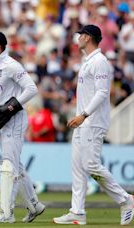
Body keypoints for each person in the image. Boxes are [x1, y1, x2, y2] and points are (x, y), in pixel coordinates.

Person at [53, 24, 134, 226]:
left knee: (90, 164)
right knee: (78, 168)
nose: (77, 38)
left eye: (80, 35)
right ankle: (77, 212)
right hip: (83, 121)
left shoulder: (100, 62)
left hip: (93, 121)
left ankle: (126, 200)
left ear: (88, 37)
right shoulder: (88, 61)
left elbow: (102, 93)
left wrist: (83, 114)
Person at [0, 31, 45, 223]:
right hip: (3, 120)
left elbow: (31, 88)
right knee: (15, 164)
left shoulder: (11, 65)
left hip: (15, 118)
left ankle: (6, 213)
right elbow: (1, 93)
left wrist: (11, 106)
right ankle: (34, 204)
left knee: (8, 165)